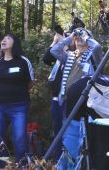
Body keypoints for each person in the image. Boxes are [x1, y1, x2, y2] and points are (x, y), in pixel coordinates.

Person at [0, 33, 34, 167]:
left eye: (8, 38)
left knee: (19, 138)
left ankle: (21, 165)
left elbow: (30, 83)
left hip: (19, 106)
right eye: (3, 38)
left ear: (15, 43)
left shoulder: (23, 61)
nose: (4, 40)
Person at [50, 28, 103, 106]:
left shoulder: (93, 56)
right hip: (67, 98)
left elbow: (97, 47)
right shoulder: (69, 55)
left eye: (82, 35)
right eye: (77, 36)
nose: (79, 37)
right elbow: (54, 50)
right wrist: (70, 37)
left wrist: (85, 37)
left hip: (86, 99)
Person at [42, 25, 67, 160]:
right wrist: (55, 41)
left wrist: (65, 41)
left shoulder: (73, 52)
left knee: (67, 131)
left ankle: (66, 159)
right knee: (56, 129)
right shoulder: (58, 54)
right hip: (56, 98)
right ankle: (58, 159)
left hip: (68, 98)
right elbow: (46, 59)